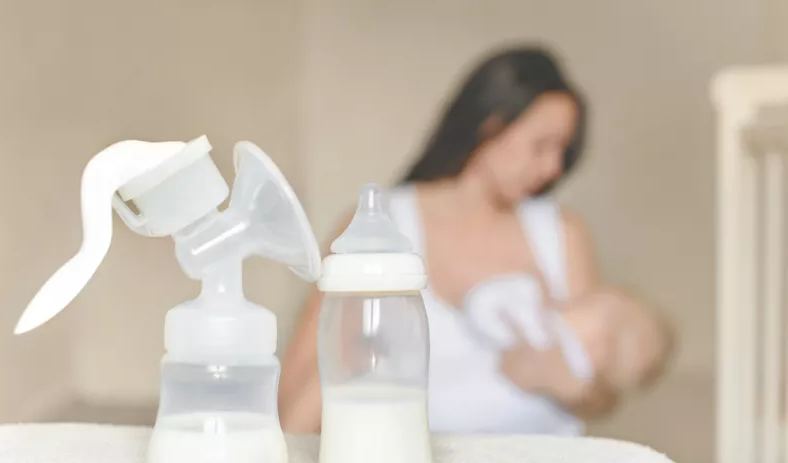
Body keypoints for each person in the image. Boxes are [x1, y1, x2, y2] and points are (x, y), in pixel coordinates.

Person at [279, 46, 672, 434]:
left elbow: (604, 386)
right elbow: (302, 385)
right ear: (491, 125)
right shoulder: (376, 226)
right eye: (541, 146)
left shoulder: (561, 233)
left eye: (562, 151)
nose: (554, 167)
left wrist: (563, 382)